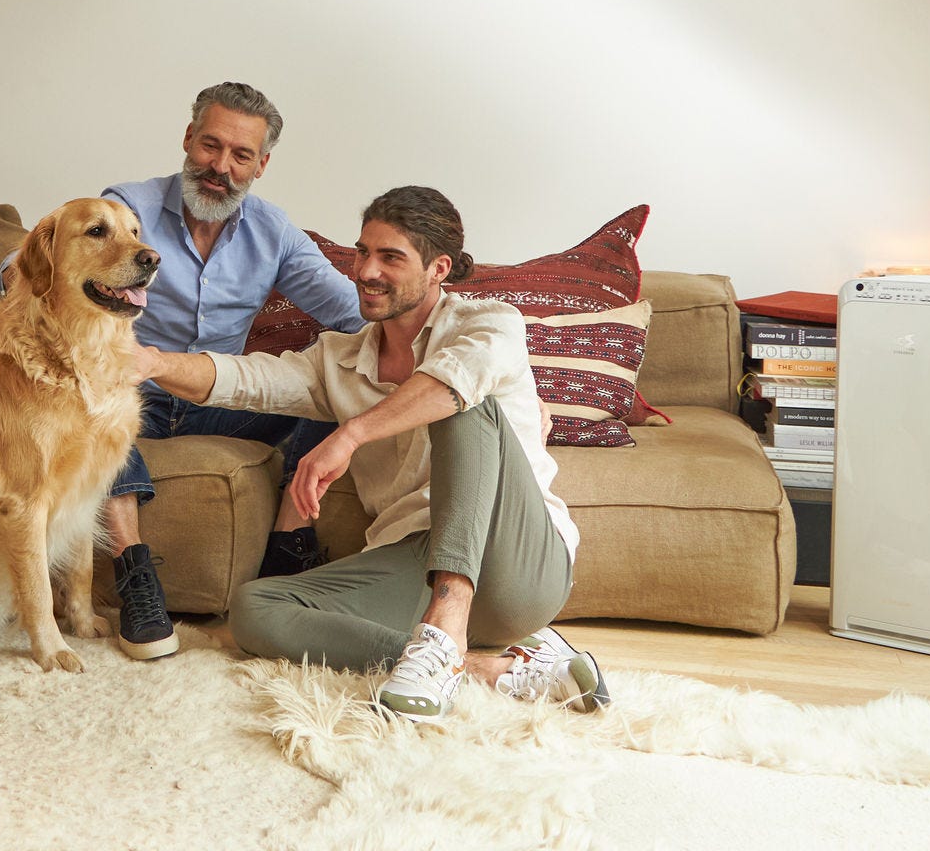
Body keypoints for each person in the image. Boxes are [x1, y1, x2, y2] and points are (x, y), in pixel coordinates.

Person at [134, 186, 609, 719]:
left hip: (516, 561)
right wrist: (153, 362)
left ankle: (446, 629)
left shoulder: (490, 323)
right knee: (254, 609)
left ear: (438, 268)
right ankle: (483, 669)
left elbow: (452, 384)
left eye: (390, 257)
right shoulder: (338, 359)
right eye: (362, 252)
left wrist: (350, 434)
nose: (365, 270)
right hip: (412, 559)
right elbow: (246, 379)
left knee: (461, 404)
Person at [6, 83, 363, 661]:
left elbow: (351, 311)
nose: (220, 167)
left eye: (241, 155)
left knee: (330, 393)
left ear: (261, 165)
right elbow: (42, 256)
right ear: (188, 139)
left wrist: (444, 340)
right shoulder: (130, 208)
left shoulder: (273, 232)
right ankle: (134, 573)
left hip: (216, 400)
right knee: (97, 413)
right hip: (131, 391)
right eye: (210, 145)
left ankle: (285, 556)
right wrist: (25, 282)